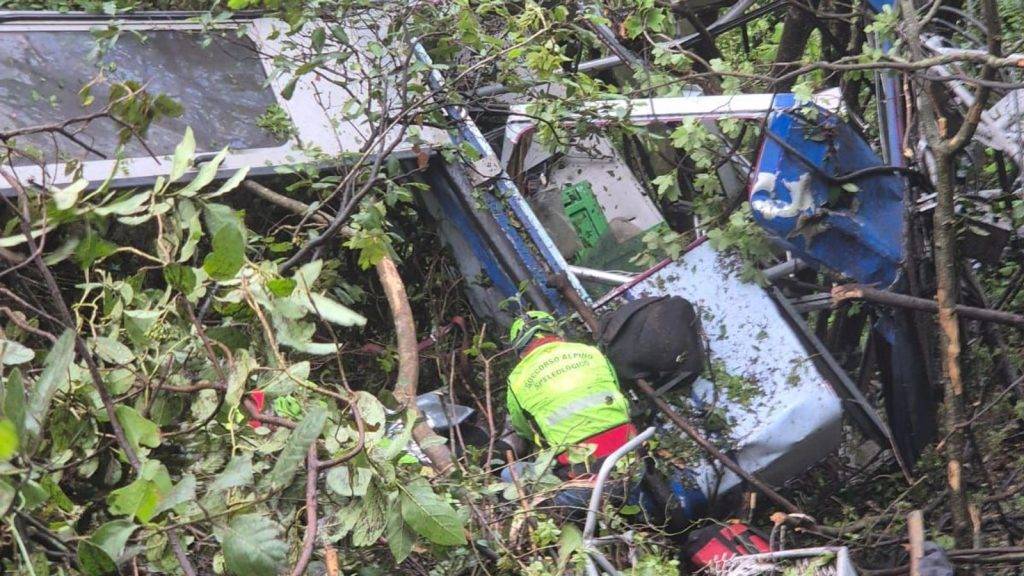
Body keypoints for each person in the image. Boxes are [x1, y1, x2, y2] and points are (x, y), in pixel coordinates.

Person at [502, 310, 641, 519]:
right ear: (557, 333)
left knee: (508, 475)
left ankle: (566, 527)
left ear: (520, 351)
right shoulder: (592, 352)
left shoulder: (517, 379)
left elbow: (522, 429)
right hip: (634, 467)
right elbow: (616, 391)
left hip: (588, 489)